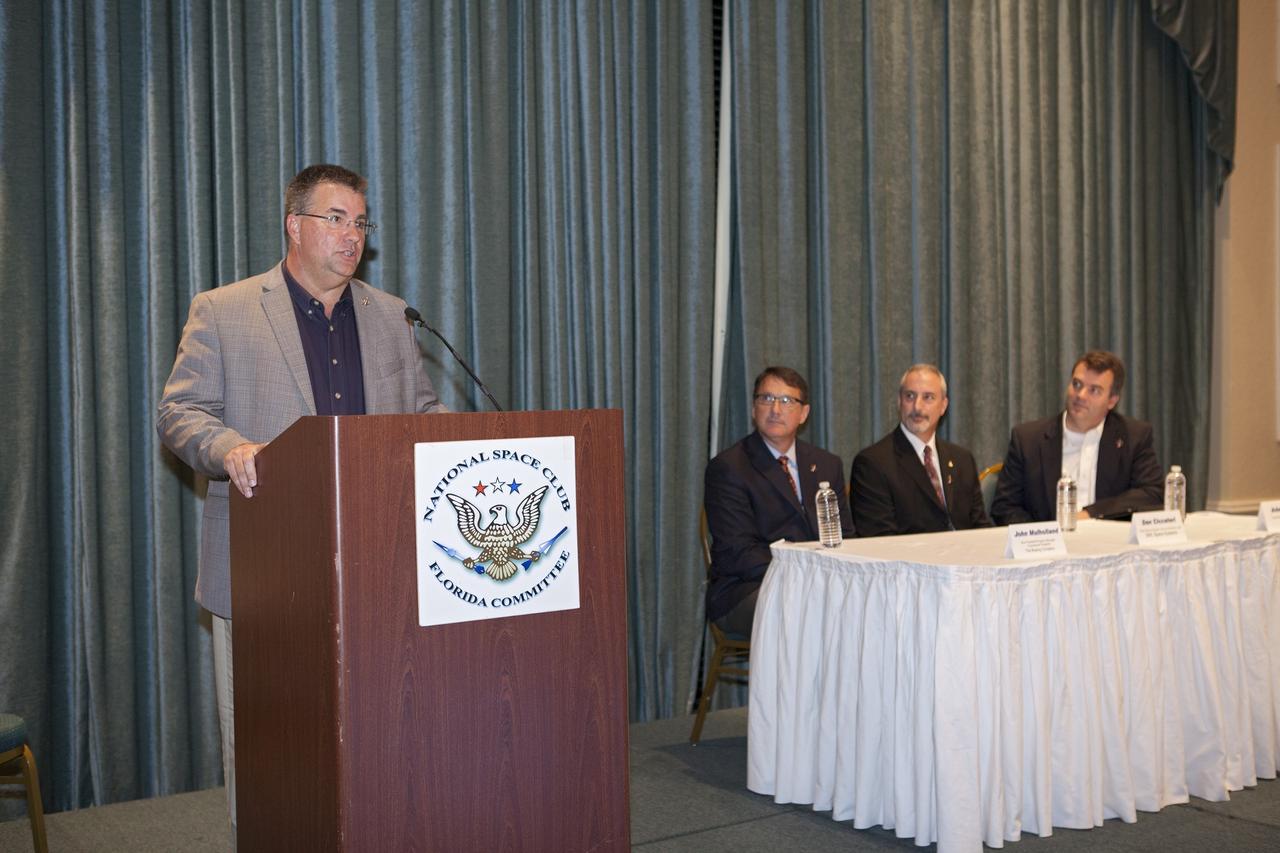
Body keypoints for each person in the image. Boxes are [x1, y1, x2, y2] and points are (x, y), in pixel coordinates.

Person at [156, 164, 446, 839]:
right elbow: (180, 412)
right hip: (266, 567)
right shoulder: (224, 309)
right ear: (294, 225)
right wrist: (229, 446)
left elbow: (425, 414)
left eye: (360, 223)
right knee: (268, 748)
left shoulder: (392, 315)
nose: (352, 236)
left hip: (379, 567)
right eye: (335, 219)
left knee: (376, 735)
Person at [703, 366, 853, 638]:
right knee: (814, 611)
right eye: (766, 399)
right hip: (747, 588)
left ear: (803, 413)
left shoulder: (827, 464)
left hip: (819, 582)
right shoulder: (729, 467)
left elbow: (845, 536)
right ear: (753, 408)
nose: (775, 409)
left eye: (786, 401)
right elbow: (738, 552)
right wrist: (806, 577)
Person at [990, 350, 1162, 524]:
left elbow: (1153, 493)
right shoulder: (1028, 440)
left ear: (1112, 401)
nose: (1080, 395)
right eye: (1077, 384)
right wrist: (1047, 534)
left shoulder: (1133, 437)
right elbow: (1004, 507)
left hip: (1109, 537)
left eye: (1094, 390)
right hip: (1048, 539)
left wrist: (1091, 513)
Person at [850, 364, 991, 536]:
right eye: (910, 396)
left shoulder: (962, 459)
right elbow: (881, 540)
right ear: (899, 401)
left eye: (928, 397)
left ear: (943, 406)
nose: (917, 407)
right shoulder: (872, 463)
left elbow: (980, 527)